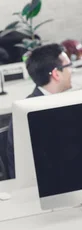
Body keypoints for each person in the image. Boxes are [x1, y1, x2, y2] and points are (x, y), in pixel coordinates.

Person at [6, 43, 73, 180]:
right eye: (69, 66)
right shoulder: (29, 113)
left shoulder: (60, 102)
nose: (72, 71)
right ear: (56, 74)